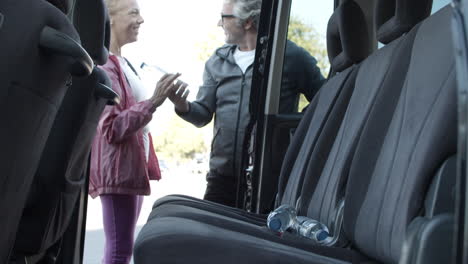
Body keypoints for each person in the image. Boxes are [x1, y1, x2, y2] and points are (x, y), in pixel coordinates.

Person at [168, 0, 325, 207]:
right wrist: (183, 105)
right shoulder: (217, 61)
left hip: (269, 177)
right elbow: (203, 114)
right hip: (221, 177)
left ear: (248, 22)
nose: (219, 23)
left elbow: (325, 99)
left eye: (224, 17)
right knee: (213, 237)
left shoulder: (290, 57)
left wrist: (296, 131)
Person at [88, 0, 184, 263]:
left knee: (123, 249)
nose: (141, 20)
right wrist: (153, 101)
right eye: (134, 13)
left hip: (130, 170)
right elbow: (111, 129)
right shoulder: (105, 67)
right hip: (118, 172)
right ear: (111, 20)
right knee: (119, 251)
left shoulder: (124, 63)